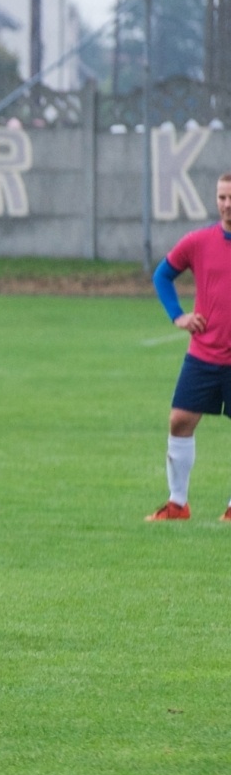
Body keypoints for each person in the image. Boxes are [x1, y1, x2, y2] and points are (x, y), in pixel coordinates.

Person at [146, 173, 231, 521]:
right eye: (222, 197)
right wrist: (178, 315)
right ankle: (177, 504)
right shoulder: (199, 242)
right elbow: (162, 275)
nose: (227, 204)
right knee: (180, 420)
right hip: (204, 353)